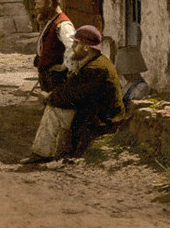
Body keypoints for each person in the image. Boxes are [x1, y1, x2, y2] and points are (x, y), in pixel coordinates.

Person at [21, 25, 127, 164]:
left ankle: (43, 153)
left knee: (53, 110)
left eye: (76, 43)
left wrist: (48, 97)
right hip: (99, 112)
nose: (73, 47)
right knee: (56, 106)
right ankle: (49, 152)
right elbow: (72, 90)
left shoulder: (94, 69)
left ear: (86, 48)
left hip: (105, 120)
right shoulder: (97, 62)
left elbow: (71, 96)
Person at [32, 0, 74, 92]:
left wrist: (64, 67)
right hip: (48, 77)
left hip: (56, 79)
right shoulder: (51, 21)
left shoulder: (63, 24)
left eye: (38, 3)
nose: (36, 7)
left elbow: (73, 46)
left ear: (50, 3)